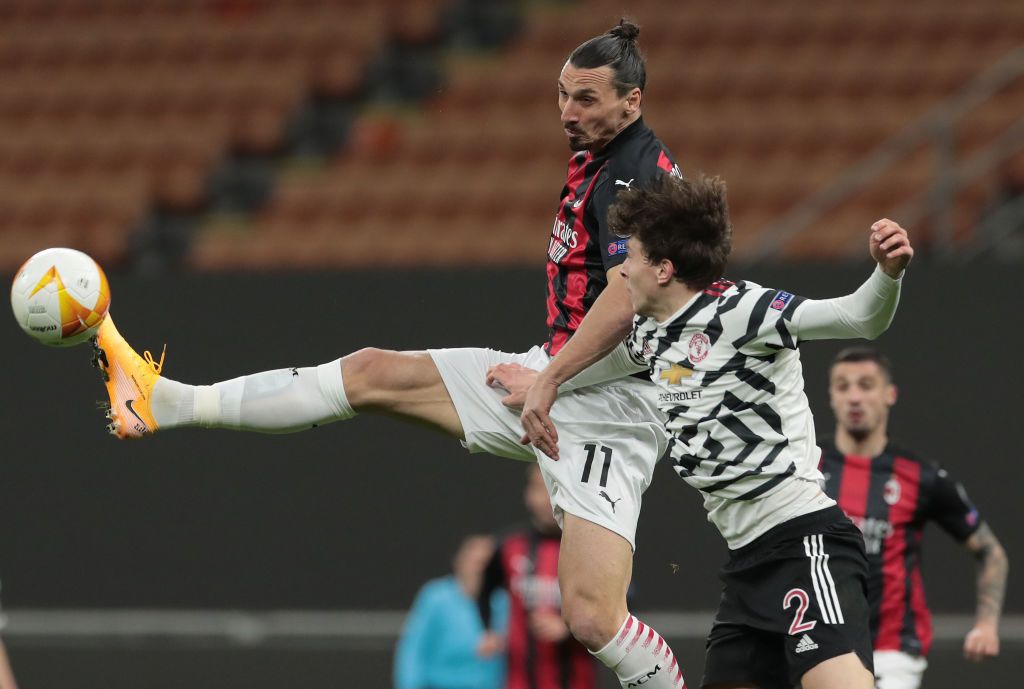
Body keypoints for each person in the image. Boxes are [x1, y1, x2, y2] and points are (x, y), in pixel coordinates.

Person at [90, 20, 686, 689]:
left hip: (611, 405)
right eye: (562, 94)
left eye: (585, 100)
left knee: (592, 617)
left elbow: (632, 307)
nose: (566, 112)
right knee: (372, 371)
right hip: (554, 374)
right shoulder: (600, 154)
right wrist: (545, 373)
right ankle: (170, 399)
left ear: (632, 103)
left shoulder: (638, 177)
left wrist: (546, 378)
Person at [516, 172, 915, 689]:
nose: (622, 271)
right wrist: (539, 380)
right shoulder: (650, 333)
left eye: (630, 258)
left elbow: (857, 317)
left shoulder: (743, 310)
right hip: (748, 567)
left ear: (663, 269)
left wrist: (888, 274)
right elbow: (601, 365)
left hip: (804, 542)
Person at [820, 346, 1008, 689]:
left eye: (866, 385)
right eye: (843, 386)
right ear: (831, 396)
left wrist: (987, 625)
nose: (855, 397)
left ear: (889, 394)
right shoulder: (807, 467)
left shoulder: (920, 476)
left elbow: (990, 552)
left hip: (893, 649)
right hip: (821, 643)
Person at [476, 464, 597, 689]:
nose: (548, 499)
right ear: (528, 495)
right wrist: (489, 630)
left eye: (556, 489)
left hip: (575, 679)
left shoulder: (590, 549)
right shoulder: (509, 546)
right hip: (519, 680)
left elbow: (619, 604)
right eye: (540, 489)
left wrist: (570, 628)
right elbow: (485, 590)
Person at [394, 534, 508, 689]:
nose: (481, 570)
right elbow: (413, 650)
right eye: (477, 562)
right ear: (459, 562)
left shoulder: (504, 602)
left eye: (488, 564)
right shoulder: (436, 597)